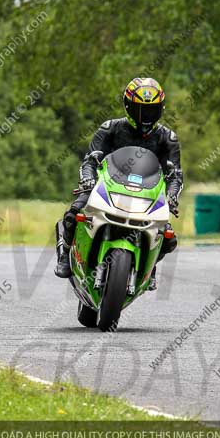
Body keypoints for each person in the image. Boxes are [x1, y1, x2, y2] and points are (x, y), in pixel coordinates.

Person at [54, 77, 183, 285]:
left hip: (148, 194)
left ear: (161, 109)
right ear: (127, 107)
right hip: (106, 187)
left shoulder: (168, 138)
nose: (146, 117)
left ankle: (150, 268)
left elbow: (175, 174)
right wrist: (88, 180)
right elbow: (90, 160)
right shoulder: (110, 128)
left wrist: (172, 196)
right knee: (74, 212)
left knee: (168, 238)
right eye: (141, 110)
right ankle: (65, 254)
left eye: (151, 110)